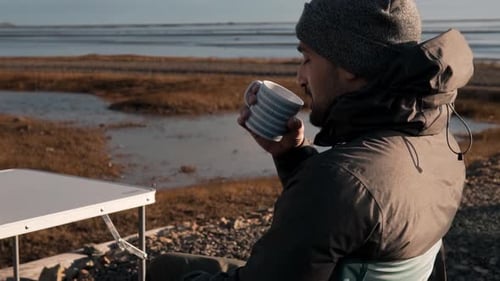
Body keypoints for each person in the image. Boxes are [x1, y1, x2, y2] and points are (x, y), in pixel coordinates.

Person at [147, 0, 474, 280]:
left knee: (162, 269)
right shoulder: (442, 144)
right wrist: (293, 155)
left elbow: (346, 197)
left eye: (307, 59)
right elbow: (361, 216)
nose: (300, 77)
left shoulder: (339, 182)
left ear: (350, 65)